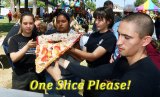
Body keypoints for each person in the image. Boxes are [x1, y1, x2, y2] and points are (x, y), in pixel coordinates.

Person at [47, 13, 160, 97]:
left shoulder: (139, 79)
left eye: (127, 37)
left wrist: (59, 79)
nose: (119, 42)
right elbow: (93, 73)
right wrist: (59, 60)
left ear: (145, 40)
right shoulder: (126, 60)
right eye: (119, 34)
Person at [67, 7, 116, 97]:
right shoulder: (93, 35)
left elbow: (93, 56)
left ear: (108, 21)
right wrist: (67, 50)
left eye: (100, 20)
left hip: (101, 77)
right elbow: (83, 55)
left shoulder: (110, 37)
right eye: (96, 19)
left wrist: (71, 49)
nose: (96, 22)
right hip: (89, 74)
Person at [8, 12, 41, 91]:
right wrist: (27, 46)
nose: (28, 26)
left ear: (34, 24)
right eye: (25, 23)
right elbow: (14, 58)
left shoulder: (39, 38)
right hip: (20, 76)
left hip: (37, 75)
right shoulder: (14, 39)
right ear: (21, 24)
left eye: (31, 23)